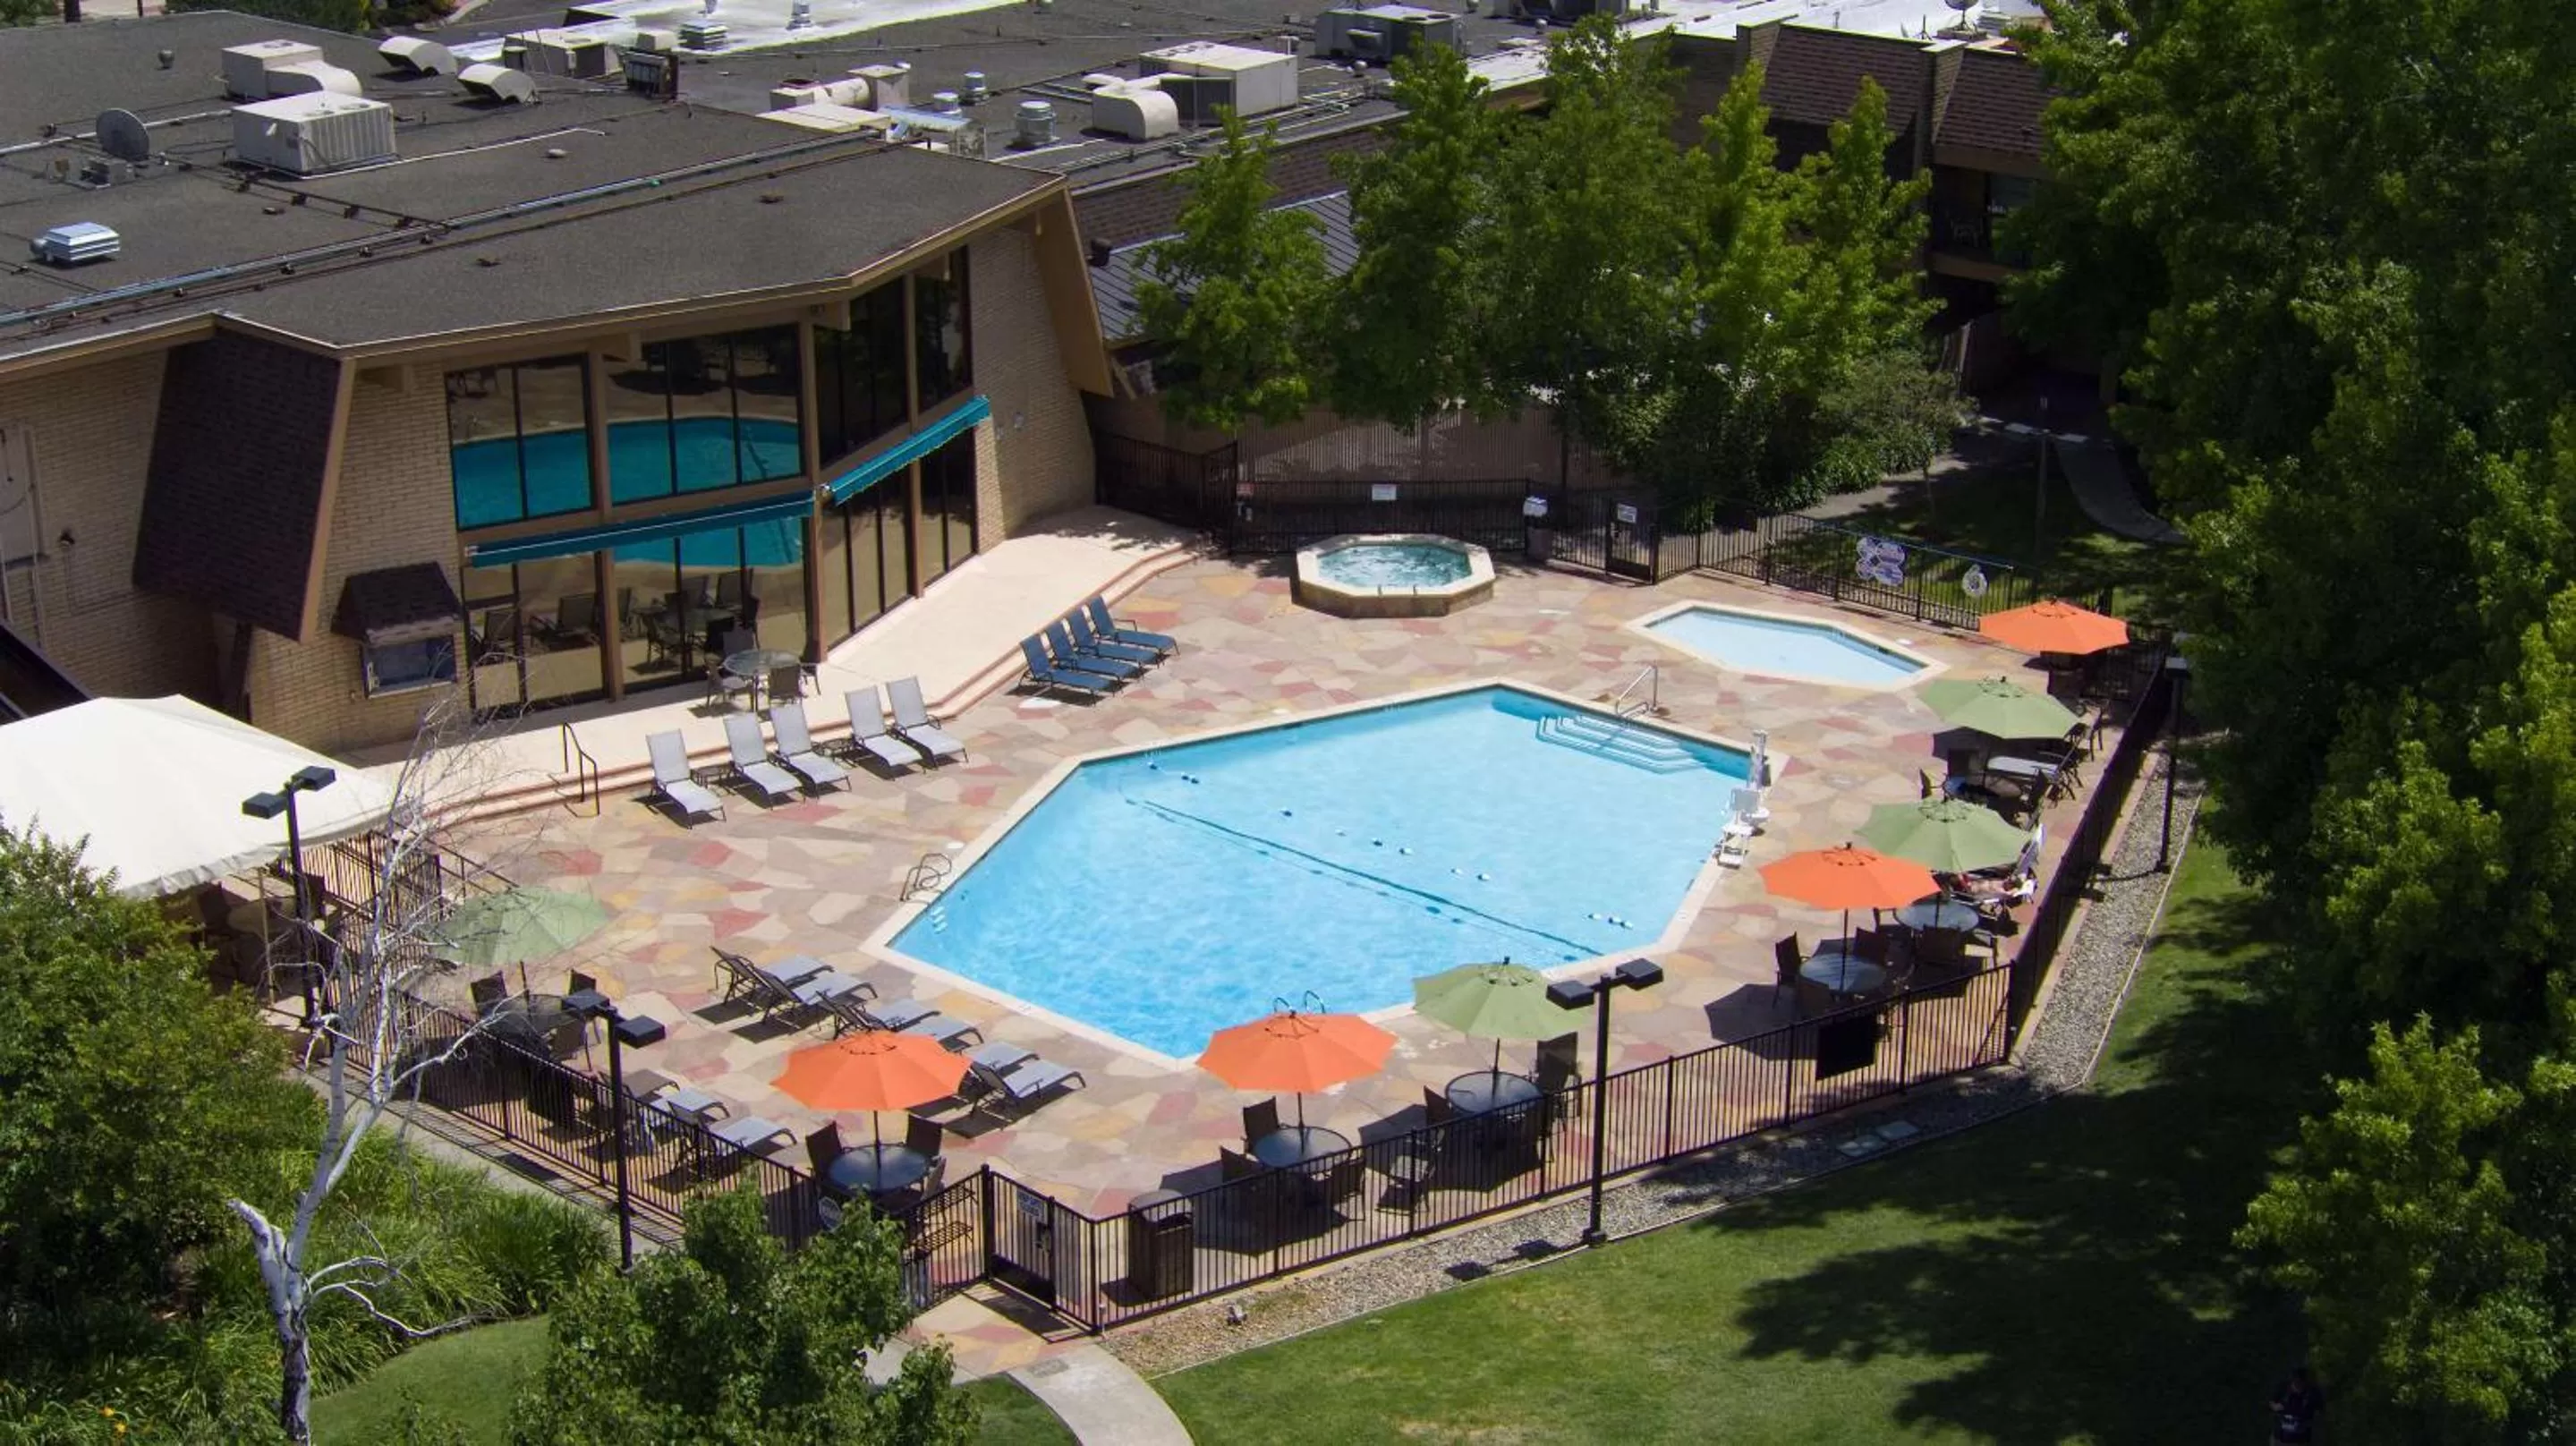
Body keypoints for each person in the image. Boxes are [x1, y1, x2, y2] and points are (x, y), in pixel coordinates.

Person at [2269, 1365, 2325, 1443]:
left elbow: (2321, 1410)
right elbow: (2271, 1402)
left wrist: (2308, 1420)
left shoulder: (2313, 1392)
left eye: (2301, 1383)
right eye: (2296, 1382)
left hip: (2302, 1438)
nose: (2298, 1385)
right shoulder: (2283, 1388)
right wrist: (2275, 1407)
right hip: (2280, 1436)